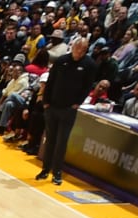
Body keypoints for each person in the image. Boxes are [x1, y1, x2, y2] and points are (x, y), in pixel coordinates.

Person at [35, 35, 97, 185]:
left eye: (83, 50)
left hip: (68, 109)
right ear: (73, 47)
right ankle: (45, 169)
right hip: (52, 106)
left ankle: (57, 173)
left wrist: (77, 103)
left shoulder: (89, 64)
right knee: (50, 140)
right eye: (77, 48)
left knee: (62, 142)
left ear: (86, 50)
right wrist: (46, 102)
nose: (79, 52)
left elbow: (88, 86)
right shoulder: (62, 60)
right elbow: (50, 81)